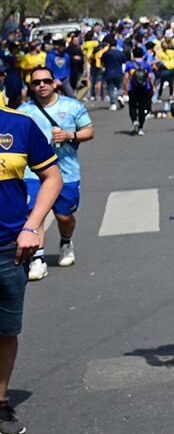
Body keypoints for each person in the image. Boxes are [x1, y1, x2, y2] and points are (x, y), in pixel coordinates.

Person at [0, 102, 61, 434]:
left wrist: (33, 225)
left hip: (8, 248)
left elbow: (52, 177)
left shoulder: (19, 125)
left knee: (6, 330)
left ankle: (0, 401)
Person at [17, 66, 92, 278]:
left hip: (66, 172)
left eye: (46, 81)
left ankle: (66, 241)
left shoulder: (72, 106)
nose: (41, 85)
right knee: (34, 214)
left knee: (64, 216)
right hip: (33, 173)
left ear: (55, 82)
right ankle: (37, 258)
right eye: (36, 83)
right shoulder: (24, 111)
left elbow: (89, 131)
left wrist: (70, 135)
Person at [124, 54, 155, 135]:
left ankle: (134, 121)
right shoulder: (146, 64)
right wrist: (153, 87)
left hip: (132, 88)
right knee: (142, 107)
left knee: (132, 106)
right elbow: (151, 76)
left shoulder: (129, 64)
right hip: (145, 88)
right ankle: (141, 127)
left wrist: (125, 88)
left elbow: (126, 77)